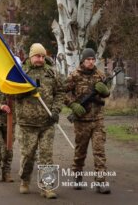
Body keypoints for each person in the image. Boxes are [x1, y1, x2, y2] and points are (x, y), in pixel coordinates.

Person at [15, 43, 65, 199]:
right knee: (28, 155)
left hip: (47, 123)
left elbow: (60, 92)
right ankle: (24, 180)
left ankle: (47, 186)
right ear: (31, 56)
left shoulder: (52, 73)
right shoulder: (21, 73)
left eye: (43, 56)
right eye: (38, 56)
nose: (41, 59)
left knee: (46, 156)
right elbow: (11, 94)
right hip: (27, 123)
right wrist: (24, 92)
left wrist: (56, 110)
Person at [65, 48, 112, 194]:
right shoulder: (74, 76)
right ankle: (77, 176)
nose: (91, 62)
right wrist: (73, 104)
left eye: (93, 59)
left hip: (98, 119)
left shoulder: (100, 74)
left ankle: (101, 181)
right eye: (88, 60)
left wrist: (105, 91)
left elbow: (106, 93)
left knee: (99, 151)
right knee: (80, 151)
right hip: (82, 121)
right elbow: (63, 92)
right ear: (83, 60)